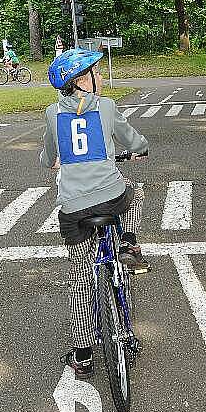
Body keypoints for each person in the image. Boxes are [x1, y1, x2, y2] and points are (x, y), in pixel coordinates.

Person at [40, 48, 149, 379]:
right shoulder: (106, 106)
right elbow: (134, 140)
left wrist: (53, 161)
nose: (99, 77)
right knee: (136, 192)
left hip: (74, 211)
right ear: (81, 81)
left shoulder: (51, 113)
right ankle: (129, 244)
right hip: (112, 198)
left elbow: (49, 157)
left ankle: (83, 351)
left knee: (80, 277)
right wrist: (139, 149)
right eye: (94, 73)